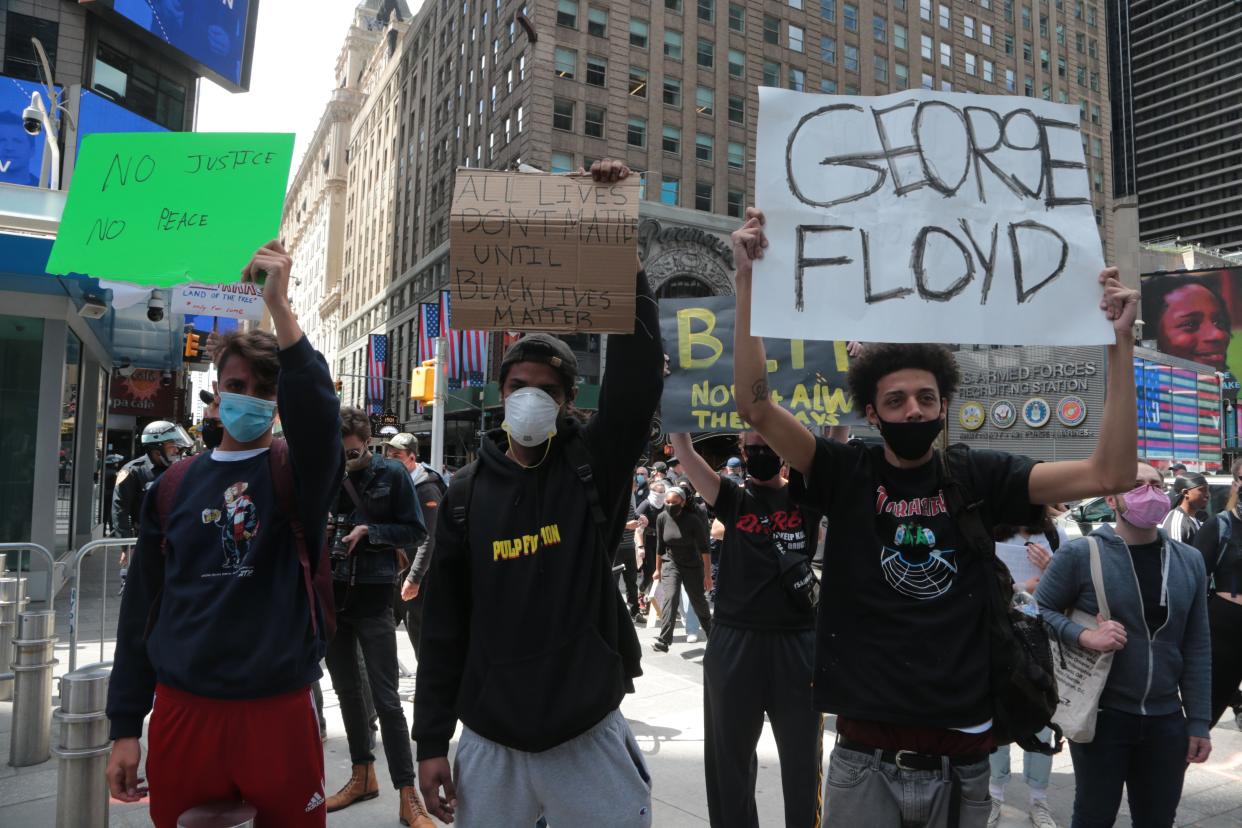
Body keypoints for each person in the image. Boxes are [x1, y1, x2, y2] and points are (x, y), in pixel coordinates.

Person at [730, 207, 1141, 826]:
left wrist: (1121, 346)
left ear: (946, 404)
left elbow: (1109, 474)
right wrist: (747, 284)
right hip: (864, 758)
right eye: (895, 400)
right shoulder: (844, 473)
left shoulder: (981, 477)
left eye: (926, 398)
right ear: (871, 413)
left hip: (965, 761)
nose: (913, 410)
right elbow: (757, 409)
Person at [414, 159, 661, 828]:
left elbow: (637, 381)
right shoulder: (463, 496)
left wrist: (621, 246)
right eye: (520, 385)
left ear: (567, 401)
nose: (532, 398)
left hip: (588, 735)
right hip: (491, 743)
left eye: (548, 391)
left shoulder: (592, 469)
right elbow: (442, 626)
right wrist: (430, 740)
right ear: (500, 393)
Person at [105, 240, 341, 826]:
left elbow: (319, 415)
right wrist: (124, 726)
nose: (250, 399)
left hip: (279, 710)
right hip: (186, 711)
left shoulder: (298, 474)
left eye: (267, 390)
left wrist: (280, 309)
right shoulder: (172, 486)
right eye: (237, 386)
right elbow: (142, 609)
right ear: (216, 391)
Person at [1038, 461, 1211, 828]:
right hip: (1103, 715)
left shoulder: (1189, 561)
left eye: (1156, 484)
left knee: (1158, 819)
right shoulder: (1081, 553)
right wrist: (1083, 635)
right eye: (1135, 484)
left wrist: (1198, 722)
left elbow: (1197, 645)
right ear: (1111, 498)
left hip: (1166, 720)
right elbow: (1035, 611)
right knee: (1094, 817)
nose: (1148, 492)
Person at [670, 430, 824, 828]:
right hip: (735, 640)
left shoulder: (806, 494)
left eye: (768, 446)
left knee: (804, 760)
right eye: (751, 447)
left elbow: (835, 437)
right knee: (729, 761)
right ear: (741, 452)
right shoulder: (733, 498)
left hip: (797, 642)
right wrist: (675, 404)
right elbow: (685, 452)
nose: (759, 454)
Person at [323, 410, 431, 825]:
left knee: (387, 700)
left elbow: (417, 531)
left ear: (367, 443)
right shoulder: (327, 471)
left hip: (372, 597)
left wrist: (371, 533)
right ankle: (362, 773)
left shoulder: (392, 474)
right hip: (333, 595)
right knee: (348, 691)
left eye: (352, 451)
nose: (346, 457)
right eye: (340, 450)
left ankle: (408, 793)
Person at [987, 510, 1068, 828]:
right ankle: (994, 793)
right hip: (1000, 641)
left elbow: (1073, 586)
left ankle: (1039, 799)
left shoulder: (1054, 535)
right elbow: (977, 585)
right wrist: (1021, 586)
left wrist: (1052, 570)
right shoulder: (990, 534)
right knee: (997, 716)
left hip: (1042, 644)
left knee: (1041, 717)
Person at [111, 421, 195, 593]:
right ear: (156, 449)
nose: (177, 450)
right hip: (145, 540)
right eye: (172, 446)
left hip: (175, 539)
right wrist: (127, 546)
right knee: (143, 592)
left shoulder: (179, 469)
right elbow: (120, 509)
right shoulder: (133, 471)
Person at [385, 432, 449, 655]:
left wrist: (414, 578)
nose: (390, 459)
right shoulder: (394, 483)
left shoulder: (425, 489)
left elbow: (429, 537)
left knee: (420, 636)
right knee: (380, 639)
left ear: (411, 458)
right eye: (388, 454)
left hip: (416, 579)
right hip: (394, 573)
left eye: (397, 455)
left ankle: (427, 688)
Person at [1192, 457, 1242, 727]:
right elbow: (1193, 581)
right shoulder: (1219, 526)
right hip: (1225, 628)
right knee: (1205, 713)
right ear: (1236, 484)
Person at [651, 486, 713, 653]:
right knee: (670, 598)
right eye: (667, 502)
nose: (670, 505)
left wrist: (708, 576)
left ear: (683, 503)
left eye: (674, 502)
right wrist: (657, 569)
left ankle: (713, 635)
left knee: (698, 601)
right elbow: (659, 546)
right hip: (671, 563)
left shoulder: (693, 520)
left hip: (692, 565)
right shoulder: (662, 518)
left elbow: (705, 549)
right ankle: (664, 640)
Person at [1141, 275, 1231, 373]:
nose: (1218, 335)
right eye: (1191, 324)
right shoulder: (1129, 386)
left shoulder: (1228, 385)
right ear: (1149, 335)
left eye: (1219, 322)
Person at [635, 479, 669, 619]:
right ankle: (641, 593)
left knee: (661, 572)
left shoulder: (666, 505)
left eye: (662, 492)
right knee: (649, 571)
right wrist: (640, 546)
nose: (660, 495)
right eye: (657, 492)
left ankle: (657, 602)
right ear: (652, 491)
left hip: (661, 541)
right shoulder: (646, 504)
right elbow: (637, 523)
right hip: (647, 540)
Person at [1163, 472, 1207, 544]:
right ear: (1186, 493)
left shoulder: (1195, 519)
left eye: (1208, 490)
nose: (1207, 494)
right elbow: (1175, 553)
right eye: (1202, 490)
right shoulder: (1177, 522)